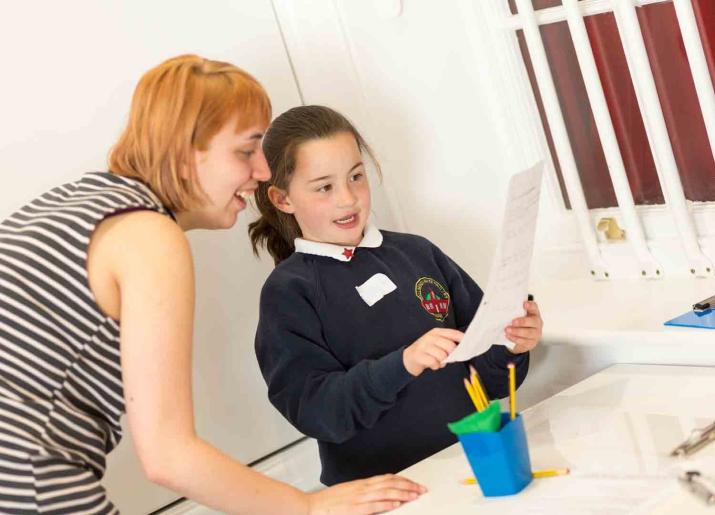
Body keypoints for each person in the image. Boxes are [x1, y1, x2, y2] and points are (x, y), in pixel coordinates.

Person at [0, 55, 425, 514]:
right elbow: (168, 455)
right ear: (186, 154)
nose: (262, 172)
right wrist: (307, 508)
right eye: (246, 151)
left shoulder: (81, 201)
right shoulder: (147, 235)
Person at [250, 105, 543, 486]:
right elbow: (318, 410)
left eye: (356, 176)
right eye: (325, 187)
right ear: (283, 199)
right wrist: (402, 363)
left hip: (471, 469)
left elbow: (487, 382)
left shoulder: (418, 253)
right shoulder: (288, 292)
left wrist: (511, 345)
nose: (348, 198)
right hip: (382, 493)